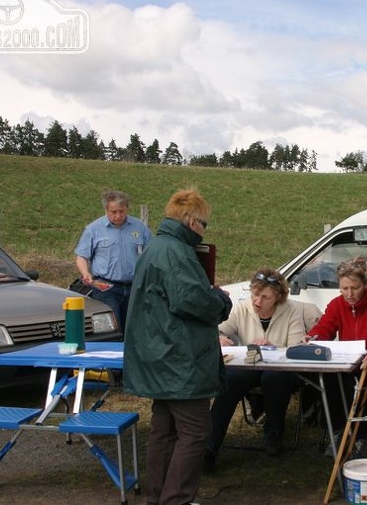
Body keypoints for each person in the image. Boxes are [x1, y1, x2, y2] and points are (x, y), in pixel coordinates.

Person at [122, 188, 232, 505]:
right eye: (203, 224)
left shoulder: (158, 247)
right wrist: (221, 300)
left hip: (159, 355)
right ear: (189, 220)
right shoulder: (176, 252)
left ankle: (157, 497)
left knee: (163, 429)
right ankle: (176, 499)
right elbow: (192, 300)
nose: (203, 230)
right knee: (195, 431)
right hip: (180, 359)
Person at [207, 268, 316, 464]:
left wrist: (273, 347)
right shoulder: (242, 308)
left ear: (278, 296)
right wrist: (218, 337)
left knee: (274, 378)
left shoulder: (291, 311)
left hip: (281, 367)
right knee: (230, 379)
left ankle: (273, 438)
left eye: (265, 297)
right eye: (255, 294)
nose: (258, 301)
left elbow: (295, 349)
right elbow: (217, 329)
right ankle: (209, 447)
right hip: (251, 363)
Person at [303, 257, 367, 457]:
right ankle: (338, 433)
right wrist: (312, 337)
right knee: (330, 377)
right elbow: (325, 328)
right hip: (348, 367)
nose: (349, 294)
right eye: (344, 288)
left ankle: (359, 437)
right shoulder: (337, 304)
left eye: (354, 288)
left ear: (366, 284)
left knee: (349, 381)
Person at [74, 189, 152, 333]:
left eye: (121, 211)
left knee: (134, 331)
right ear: (106, 210)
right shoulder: (93, 229)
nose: (118, 216)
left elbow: (152, 254)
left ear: (127, 209)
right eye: (113, 212)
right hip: (105, 288)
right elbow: (82, 256)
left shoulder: (140, 227)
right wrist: (85, 273)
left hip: (134, 288)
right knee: (112, 330)